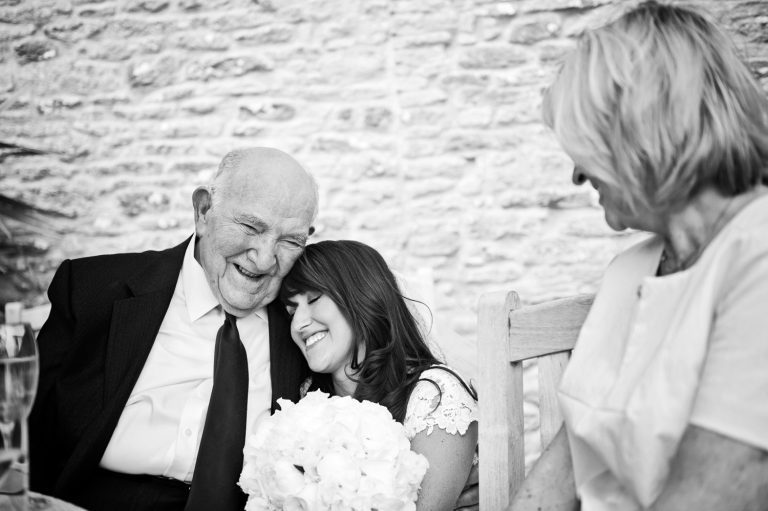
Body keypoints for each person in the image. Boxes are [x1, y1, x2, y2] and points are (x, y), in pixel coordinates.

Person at [511, 2, 768, 510]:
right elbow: (564, 467)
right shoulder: (628, 269)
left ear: (643, 134)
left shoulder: (756, 254)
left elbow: (711, 496)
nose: (578, 177)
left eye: (586, 148)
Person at [29, 147, 318, 510]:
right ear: (203, 211)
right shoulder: (92, 291)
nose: (263, 258)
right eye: (249, 227)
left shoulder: (306, 327)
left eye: (290, 241)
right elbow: (26, 430)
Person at [280, 240, 479, 511]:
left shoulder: (434, 398)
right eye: (291, 311)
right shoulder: (304, 402)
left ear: (361, 296)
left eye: (313, 299)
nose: (299, 323)